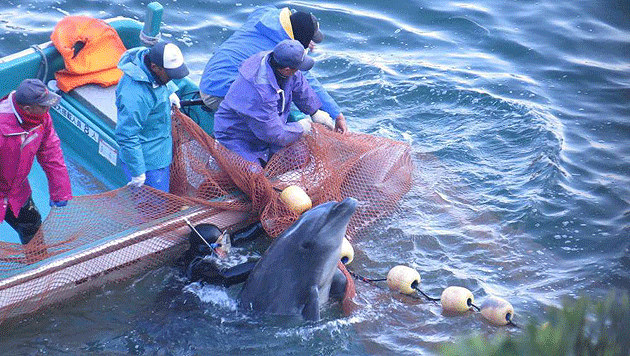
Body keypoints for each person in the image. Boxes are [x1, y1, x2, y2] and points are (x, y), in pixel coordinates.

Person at [199, 5, 347, 134]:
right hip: (217, 94)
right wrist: (336, 114)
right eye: (307, 42)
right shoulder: (279, 51)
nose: (310, 45)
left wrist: (300, 42)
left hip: (209, 78)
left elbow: (265, 8)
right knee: (277, 105)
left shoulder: (266, 17)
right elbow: (307, 81)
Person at [214, 39, 331, 166]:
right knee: (252, 176)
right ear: (286, 69)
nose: (298, 71)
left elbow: (298, 82)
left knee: (300, 156)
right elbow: (274, 134)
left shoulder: (277, 60)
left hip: (267, 129)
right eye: (298, 67)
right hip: (237, 137)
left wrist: (315, 111)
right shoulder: (260, 92)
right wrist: (301, 128)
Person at [0, 79, 72, 244]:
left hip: (17, 191)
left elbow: (51, 152)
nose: (48, 109)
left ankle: (38, 263)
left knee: (32, 226)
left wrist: (60, 190)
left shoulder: (42, 119)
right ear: (27, 109)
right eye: (44, 106)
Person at [115, 41, 189, 192]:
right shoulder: (134, 96)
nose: (172, 79)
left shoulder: (151, 66)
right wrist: (137, 172)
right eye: (170, 75)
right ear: (155, 67)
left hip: (161, 149)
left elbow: (158, 83)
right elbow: (126, 136)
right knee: (153, 208)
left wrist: (169, 91)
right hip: (147, 162)